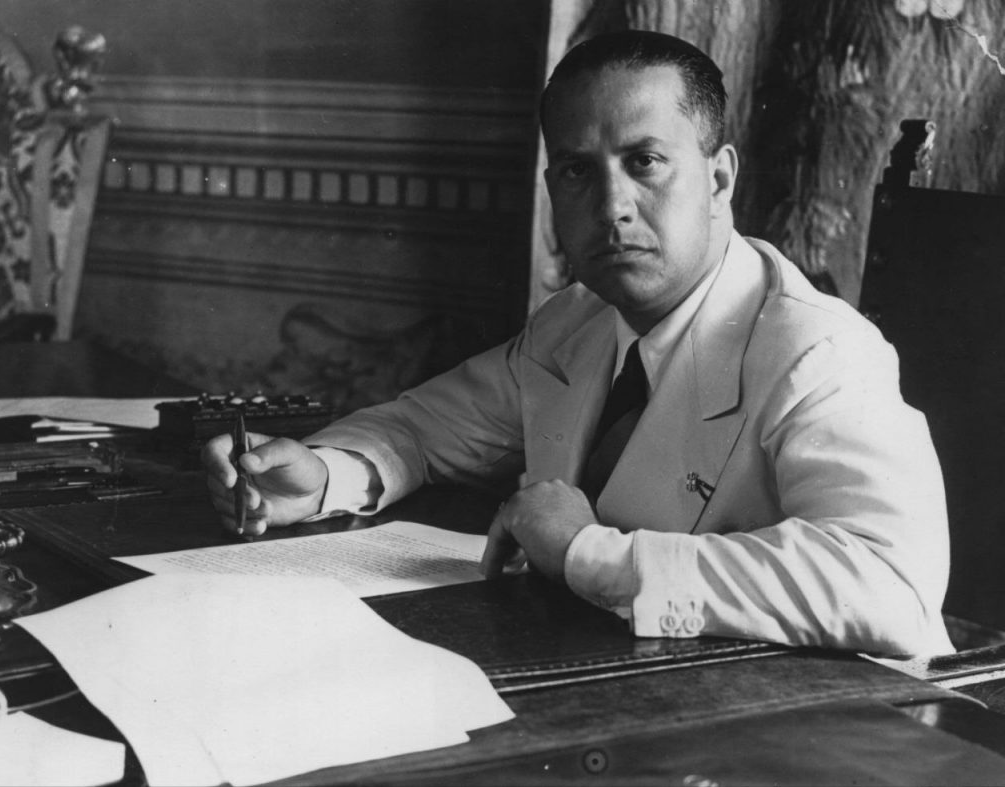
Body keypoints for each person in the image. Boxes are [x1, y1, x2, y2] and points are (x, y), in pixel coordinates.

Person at [202, 31, 952, 657]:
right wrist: (326, 475)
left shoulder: (818, 350)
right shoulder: (579, 322)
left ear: (720, 180)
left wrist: (588, 552)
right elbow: (423, 428)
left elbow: (893, 588)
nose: (612, 205)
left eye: (645, 162)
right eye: (576, 170)